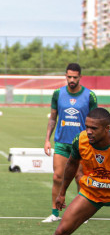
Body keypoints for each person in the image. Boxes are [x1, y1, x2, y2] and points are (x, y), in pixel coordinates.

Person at [33, 107, 110, 235]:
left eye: (94, 128)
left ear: (107, 128)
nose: (88, 131)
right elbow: (72, 165)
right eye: (87, 126)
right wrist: (61, 193)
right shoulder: (81, 140)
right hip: (92, 193)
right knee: (61, 232)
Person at [42, 63, 97, 223]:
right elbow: (53, 118)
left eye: (75, 77)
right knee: (57, 177)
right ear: (65, 76)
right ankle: (54, 213)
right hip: (61, 143)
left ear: (80, 77)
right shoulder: (58, 94)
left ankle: (82, 215)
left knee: (80, 177)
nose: (72, 80)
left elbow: (95, 121)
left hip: (82, 143)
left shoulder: (90, 95)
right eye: (69, 77)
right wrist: (47, 140)